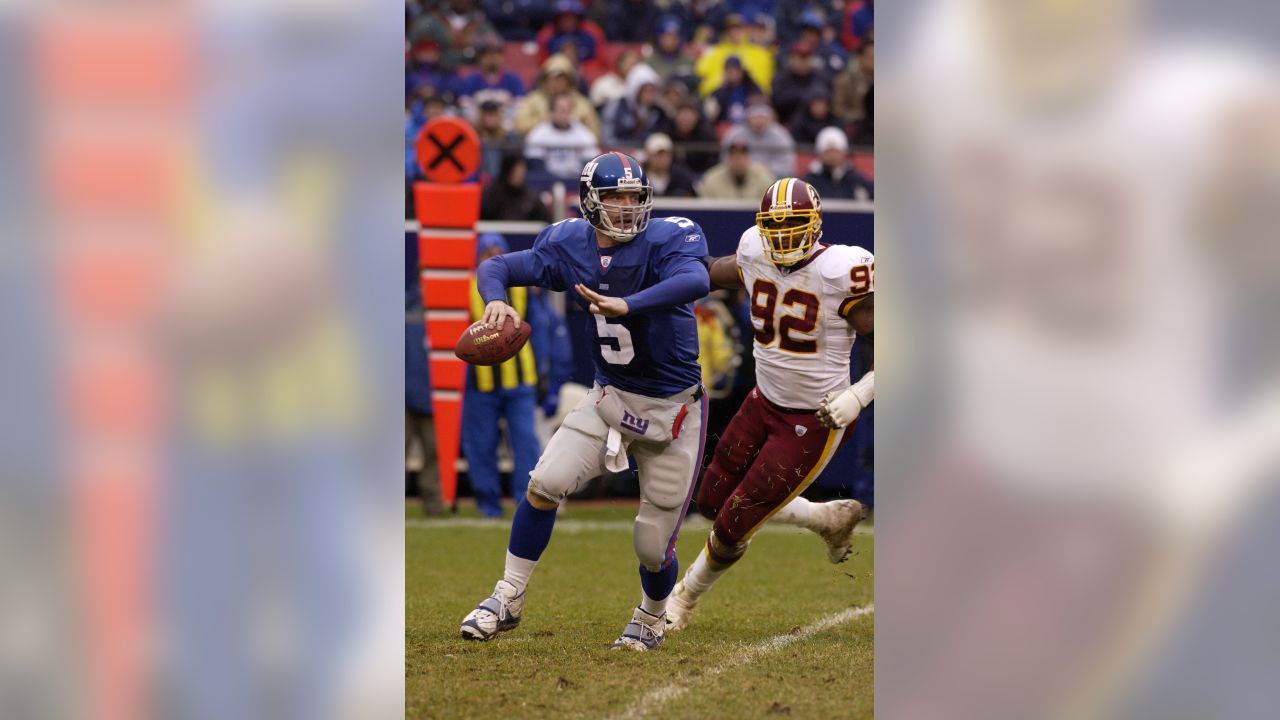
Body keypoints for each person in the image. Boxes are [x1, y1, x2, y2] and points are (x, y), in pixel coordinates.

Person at [460, 152, 711, 651]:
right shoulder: (568, 242)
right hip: (609, 398)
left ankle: (651, 615)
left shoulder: (669, 237)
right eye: (614, 197)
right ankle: (507, 595)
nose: (625, 207)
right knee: (544, 482)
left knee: (651, 548)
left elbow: (697, 280)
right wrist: (495, 298)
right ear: (590, 202)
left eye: (634, 197)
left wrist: (630, 303)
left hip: (672, 411)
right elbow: (498, 266)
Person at [666, 177, 875, 631]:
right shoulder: (753, 251)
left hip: (815, 417)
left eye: (793, 224)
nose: (781, 236)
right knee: (712, 500)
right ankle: (824, 517)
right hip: (763, 401)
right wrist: (657, 270)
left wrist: (860, 393)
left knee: (735, 520)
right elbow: (710, 271)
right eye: (772, 225)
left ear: (815, 224)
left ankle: (681, 601)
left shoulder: (842, 270)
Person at [461, 234, 546, 519]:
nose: (492, 256)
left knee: (525, 444)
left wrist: (546, 371)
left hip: (520, 380)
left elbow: (542, 327)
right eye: (487, 252)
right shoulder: (465, 287)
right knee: (480, 445)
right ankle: (488, 507)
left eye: (498, 252)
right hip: (479, 382)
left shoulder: (522, 289)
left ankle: (527, 504)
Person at [514, 54, 602, 139]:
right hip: (541, 149)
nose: (557, 82)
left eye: (562, 78)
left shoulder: (582, 104)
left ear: (569, 80)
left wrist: (571, 124)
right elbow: (519, 125)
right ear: (545, 79)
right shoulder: (533, 100)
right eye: (553, 78)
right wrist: (547, 120)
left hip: (574, 150)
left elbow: (594, 133)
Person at [694, 13, 775, 98]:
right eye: (730, 29)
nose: (734, 32)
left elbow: (764, 83)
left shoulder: (760, 53)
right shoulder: (715, 52)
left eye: (738, 29)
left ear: (746, 30)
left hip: (752, 98)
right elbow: (703, 78)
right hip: (722, 97)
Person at [524, 93, 601, 181]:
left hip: (576, 182)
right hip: (547, 182)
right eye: (561, 110)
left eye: (567, 110)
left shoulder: (584, 135)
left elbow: (590, 166)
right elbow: (536, 166)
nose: (564, 114)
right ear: (552, 111)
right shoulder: (538, 134)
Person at [454, 42, 527, 121]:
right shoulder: (470, 80)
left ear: (502, 57)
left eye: (496, 55)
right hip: (478, 123)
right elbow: (465, 105)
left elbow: (520, 104)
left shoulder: (513, 79)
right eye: (488, 55)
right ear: (480, 58)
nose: (492, 59)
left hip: (506, 124)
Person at [601, 64, 672, 146]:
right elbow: (608, 138)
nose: (649, 95)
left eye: (652, 91)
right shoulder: (617, 106)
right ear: (635, 90)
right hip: (620, 152)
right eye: (645, 91)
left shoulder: (657, 111)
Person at [721, 103, 797, 179]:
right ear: (748, 118)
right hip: (740, 176)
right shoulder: (735, 133)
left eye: (762, 117)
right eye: (755, 117)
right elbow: (725, 158)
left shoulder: (780, 135)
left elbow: (787, 164)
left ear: (770, 118)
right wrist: (746, 168)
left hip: (772, 178)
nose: (759, 120)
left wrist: (763, 170)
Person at [803, 127, 874, 200]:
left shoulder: (856, 180)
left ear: (844, 152)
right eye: (828, 151)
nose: (832, 155)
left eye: (835, 151)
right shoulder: (809, 181)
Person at [479, 153, 553, 222]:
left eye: (522, 170)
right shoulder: (491, 194)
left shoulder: (531, 196)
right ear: (507, 170)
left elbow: (546, 221)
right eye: (515, 170)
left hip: (526, 235)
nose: (520, 174)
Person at [697, 138, 776, 200]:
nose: (739, 161)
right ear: (728, 159)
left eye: (742, 156)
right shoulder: (712, 178)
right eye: (735, 156)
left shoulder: (763, 177)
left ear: (749, 158)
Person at [669, 99, 721, 174]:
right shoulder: (668, 132)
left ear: (696, 117)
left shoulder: (707, 134)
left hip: (702, 173)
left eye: (688, 116)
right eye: (682, 115)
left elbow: (713, 160)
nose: (685, 120)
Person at [642, 133, 698, 198]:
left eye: (667, 154)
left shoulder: (683, 177)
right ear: (648, 155)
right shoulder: (638, 177)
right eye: (658, 154)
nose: (663, 159)